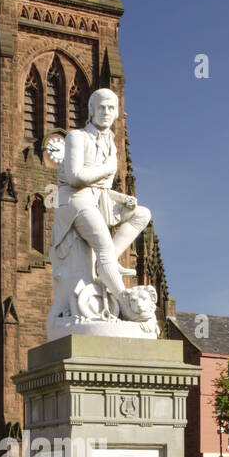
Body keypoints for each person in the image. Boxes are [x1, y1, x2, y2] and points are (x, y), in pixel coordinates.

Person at [51, 89, 152, 318]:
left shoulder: (111, 143)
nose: (106, 112)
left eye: (111, 108)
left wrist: (121, 198)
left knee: (142, 214)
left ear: (117, 112)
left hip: (100, 199)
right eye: (101, 107)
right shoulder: (77, 137)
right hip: (75, 201)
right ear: (91, 111)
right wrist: (107, 168)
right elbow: (75, 176)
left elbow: (103, 187)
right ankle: (126, 304)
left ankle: (107, 264)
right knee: (103, 247)